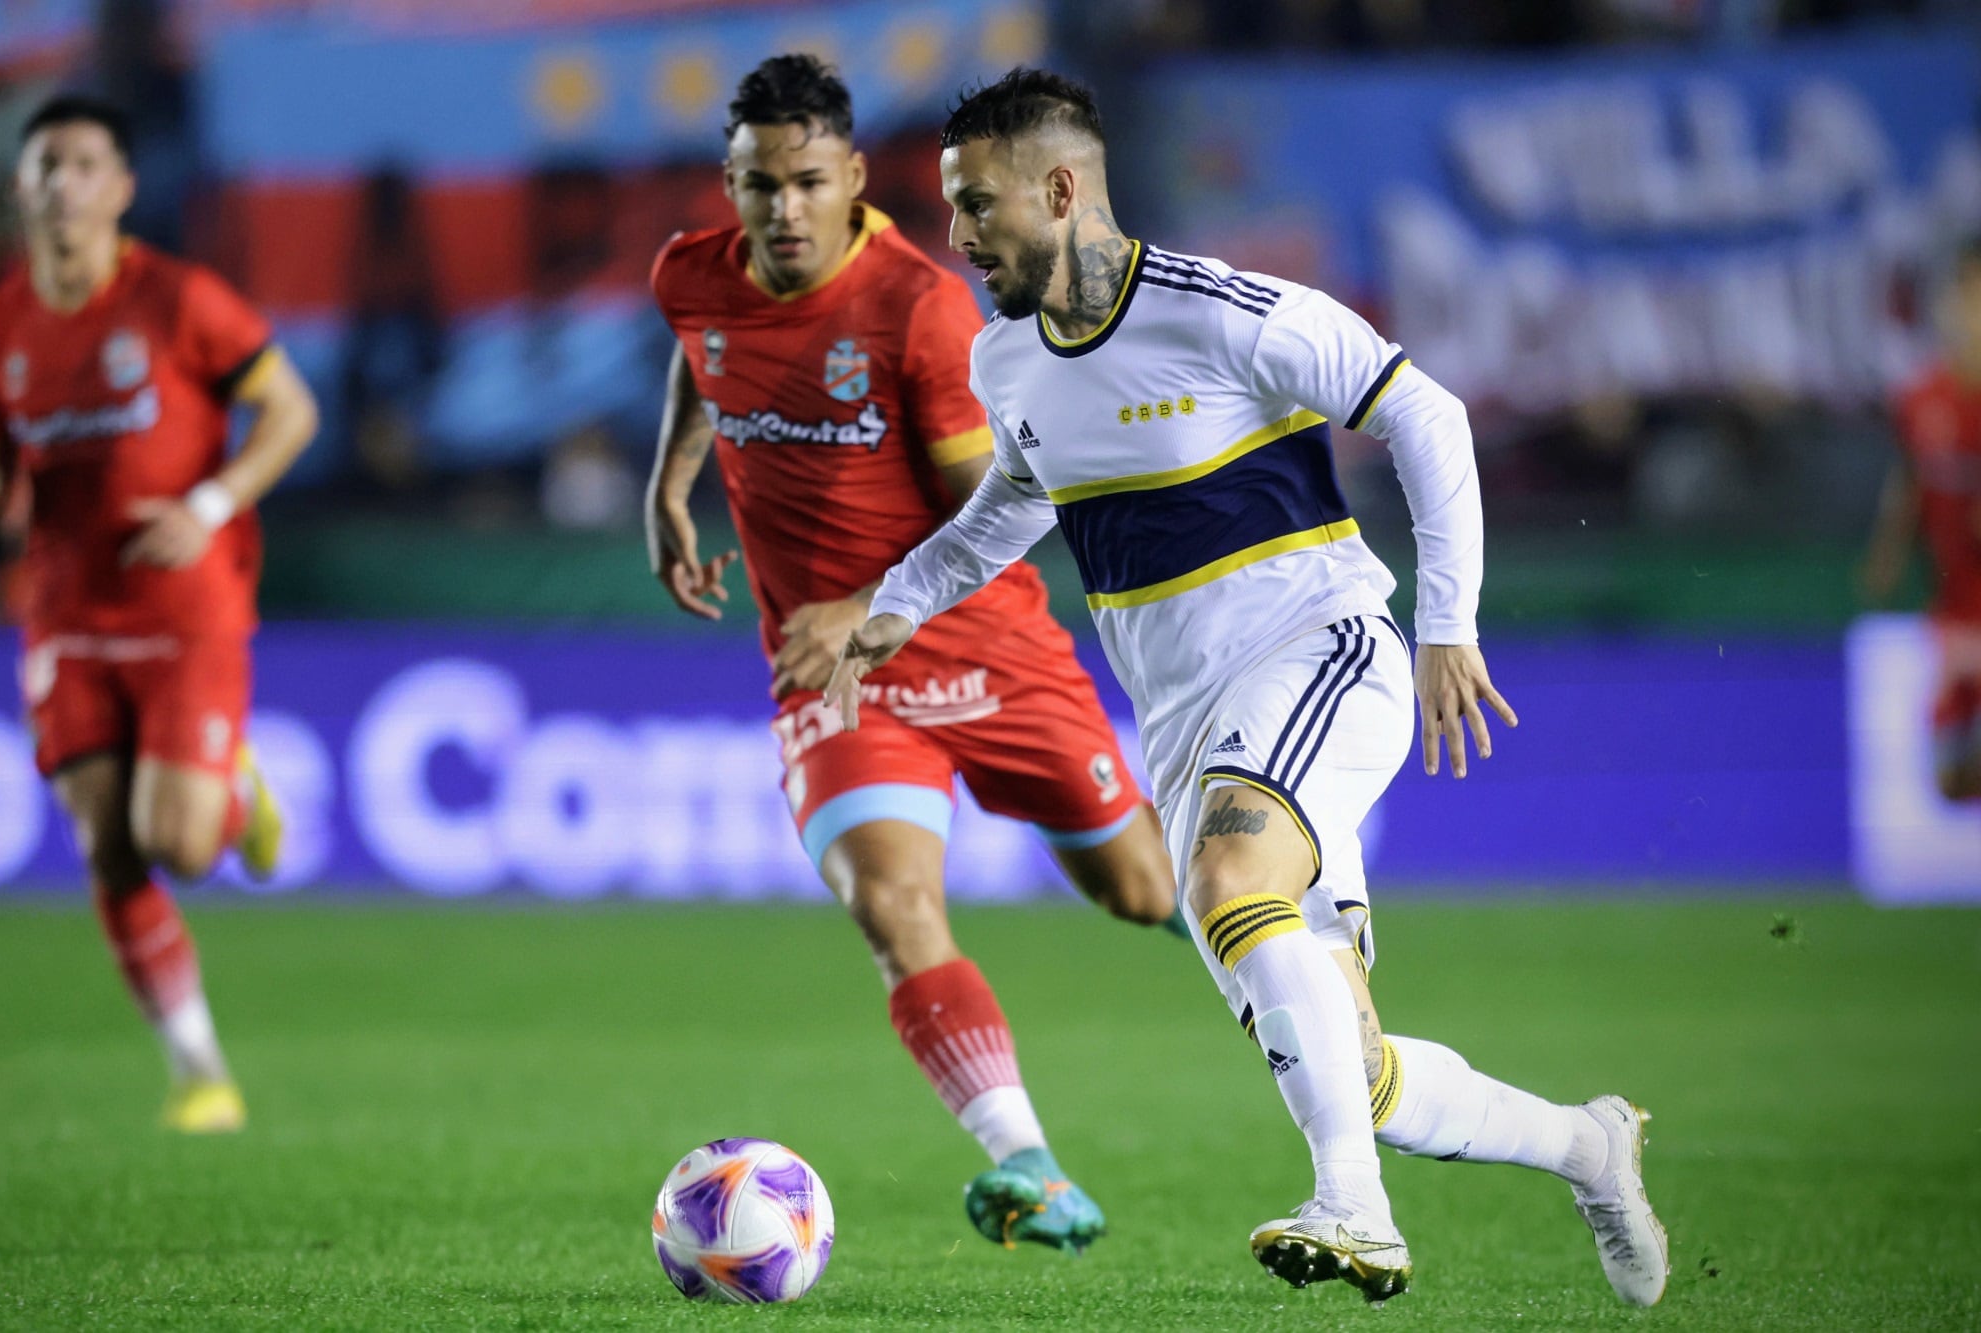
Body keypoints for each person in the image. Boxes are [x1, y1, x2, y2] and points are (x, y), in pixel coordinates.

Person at [828, 68, 1669, 1305]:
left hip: (1317, 649)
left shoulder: (1229, 312)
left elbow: (1425, 416)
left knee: (1228, 879)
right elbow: (1005, 509)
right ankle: (1586, 1145)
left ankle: (1355, 1215)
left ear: (1059, 190)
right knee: (1360, 1071)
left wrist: (1446, 624)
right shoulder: (1009, 363)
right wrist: (893, 600)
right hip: (1182, 725)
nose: (956, 234)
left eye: (975, 205)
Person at [646, 55, 1179, 1254]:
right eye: (754, 183)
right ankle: (1030, 1167)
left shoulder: (919, 308)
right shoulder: (690, 275)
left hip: (977, 645)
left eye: (805, 182)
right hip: (835, 678)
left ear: (850, 182)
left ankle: (1305, 978)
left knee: (1141, 889)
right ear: (729, 185)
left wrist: (856, 600)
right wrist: (670, 491)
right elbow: (701, 351)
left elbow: (990, 523)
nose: (780, 209)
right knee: (892, 906)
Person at [0, 95, 319, 1132]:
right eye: (46, 164)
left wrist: (210, 502)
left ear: (122, 188)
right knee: (106, 848)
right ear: (20, 186)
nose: (62, 182)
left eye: (85, 163)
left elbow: (292, 409)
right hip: (69, 608)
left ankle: (234, 791)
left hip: (187, 604)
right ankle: (199, 1070)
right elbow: (2, 498)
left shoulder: (176, 299)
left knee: (174, 844)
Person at [1864, 237, 1981, 801]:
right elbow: (1910, 477)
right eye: (1968, 296)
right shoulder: (1921, 396)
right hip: (1953, 602)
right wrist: (1886, 552)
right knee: (1950, 782)